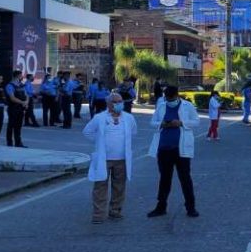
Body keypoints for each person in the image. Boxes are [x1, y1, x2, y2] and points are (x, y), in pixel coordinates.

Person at [83, 92, 138, 224]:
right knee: (100, 187)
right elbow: (87, 132)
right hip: (104, 159)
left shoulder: (129, 118)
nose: (119, 104)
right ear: (109, 104)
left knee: (119, 187)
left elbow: (133, 133)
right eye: (116, 102)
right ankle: (98, 214)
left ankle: (115, 211)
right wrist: (100, 142)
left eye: (120, 101)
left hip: (122, 159)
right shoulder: (99, 118)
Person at [147, 86, 201, 218]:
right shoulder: (161, 106)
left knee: (185, 178)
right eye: (167, 98)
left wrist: (181, 123)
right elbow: (152, 122)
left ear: (177, 95)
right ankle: (161, 207)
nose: (169, 100)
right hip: (164, 148)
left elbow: (196, 121)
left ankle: (191, 207)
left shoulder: (187, 106)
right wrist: (162, 124)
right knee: (165, 179)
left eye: (171, 98)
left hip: (181, 149)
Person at [5, 70, 28, 148]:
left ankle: (18, 143)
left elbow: (26, 94)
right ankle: (9, 143)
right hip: (13, 108)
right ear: (18, 75)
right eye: (21, 75)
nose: (22, 77)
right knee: (11, 126)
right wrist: (23, 102)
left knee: (18, 126)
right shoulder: (9, 85)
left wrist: (26, 102)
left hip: (21, 108)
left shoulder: (21, 85)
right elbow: (12, 98)